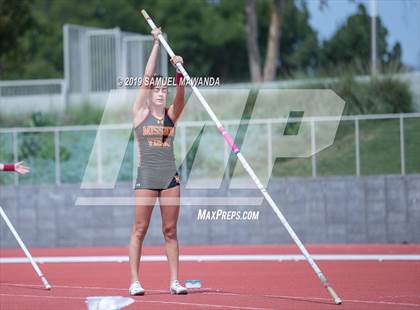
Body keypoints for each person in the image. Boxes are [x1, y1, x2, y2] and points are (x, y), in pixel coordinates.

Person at [128, 26, 187, 296]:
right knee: (139, 229)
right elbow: (147, 76)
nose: (161, 92)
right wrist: (156, 44)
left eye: (164, 89)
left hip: (170, 178)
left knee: (170, 230)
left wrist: (179, 73)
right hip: (147, 178)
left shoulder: (171, 115)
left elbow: (180, 96)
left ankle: (175, 281)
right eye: (158, 89)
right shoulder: (140, 113)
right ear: (150, 93)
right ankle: (135, 281)